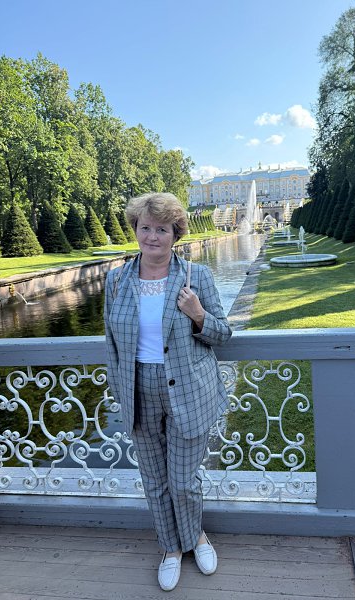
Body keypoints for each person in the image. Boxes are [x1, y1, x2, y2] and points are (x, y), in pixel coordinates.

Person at [104, 192, 232, 591]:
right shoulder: (117, 280)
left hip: (188, 390)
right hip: (139, 390)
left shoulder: (197, 277)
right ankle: (170, 548)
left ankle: (195, 538)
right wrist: (120, 392)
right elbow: (111, 343)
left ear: (176, 234)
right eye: (145, 227)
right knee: (154, 480)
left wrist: (198, 314)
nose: (152, 237)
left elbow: (223, 334)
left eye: (161, 229)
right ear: (135, 230)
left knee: (183, 481)